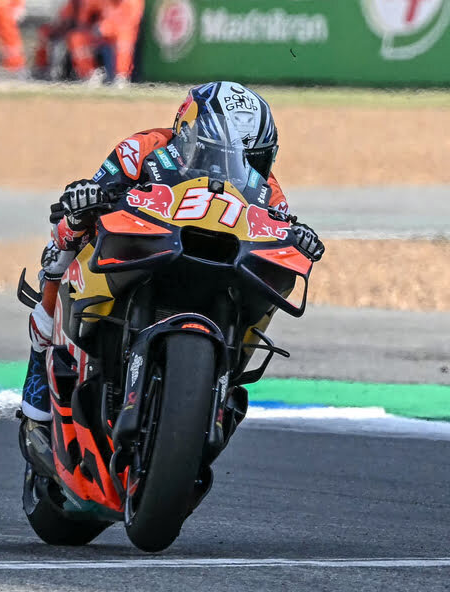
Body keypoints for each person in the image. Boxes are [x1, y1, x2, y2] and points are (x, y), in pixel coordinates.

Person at [19, 82, 325, 439]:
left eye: (255, 158)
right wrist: (84, 200)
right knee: (64, 238)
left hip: (219, 259)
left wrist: (299, 237)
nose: (244, 167)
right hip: (151, 241)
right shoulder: (142, 148)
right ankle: (42, 357)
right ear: (189, 134)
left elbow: (281, 224)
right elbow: (96, 190)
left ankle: (221, 385)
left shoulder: (266, 185)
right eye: (219, 153)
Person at [66, 0, 144, 85]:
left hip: (119, 34)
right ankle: (89, 74)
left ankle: (121, 76)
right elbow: (87, 9)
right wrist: (87, 23)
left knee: (124, 40)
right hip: (100, 33)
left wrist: (106, 28)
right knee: (77, 38)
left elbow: (129, 23)